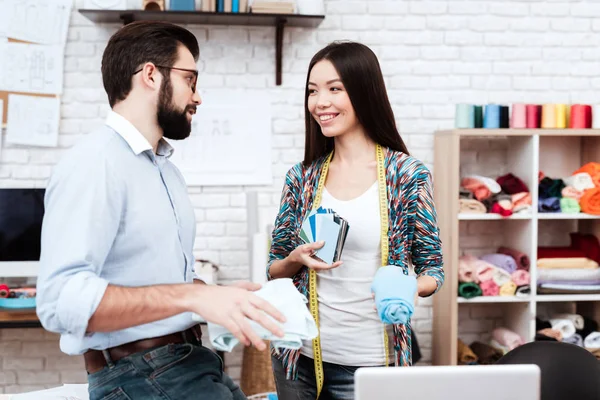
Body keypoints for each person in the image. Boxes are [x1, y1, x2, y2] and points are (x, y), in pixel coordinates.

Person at [36, 21, 285, 400]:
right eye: (190, 79)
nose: (197, 97)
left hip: (189, 362)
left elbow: (152, 282)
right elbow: (60, 301)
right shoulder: (94, 164)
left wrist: (214, 295)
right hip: (140, 375)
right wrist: (192, 298)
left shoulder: (164, 171)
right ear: (150, 75)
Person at [266, 41, 445, 400]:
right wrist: (294, 260)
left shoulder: (406, 175)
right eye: (313, 91)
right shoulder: (302, 178)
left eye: (335, 89)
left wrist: (407, 286)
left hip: (372, 363)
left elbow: (434, 271)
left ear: (364, 93)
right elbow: (274, 268)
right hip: (297, 359)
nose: (320, 102)